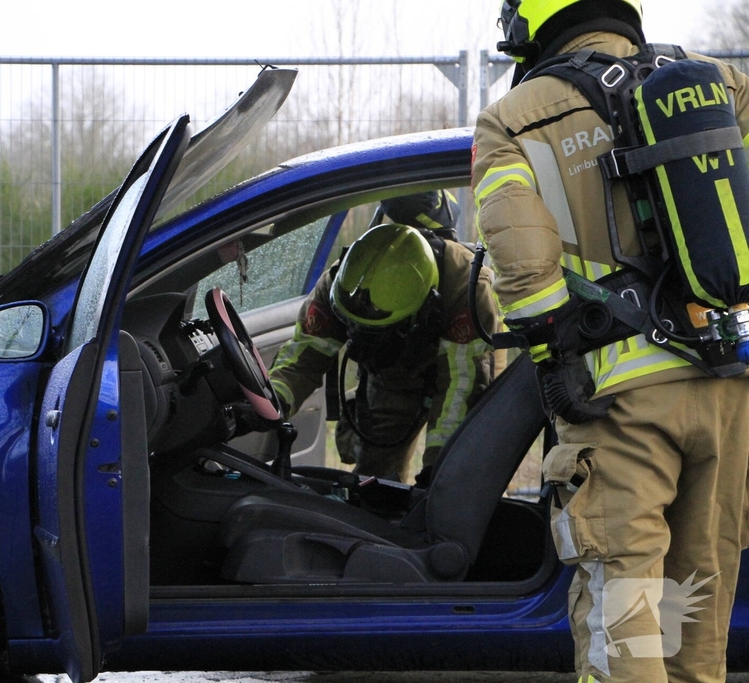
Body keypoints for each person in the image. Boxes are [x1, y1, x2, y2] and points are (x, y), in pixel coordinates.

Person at [472, 1, 749, 681]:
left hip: (618, 407)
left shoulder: (515, 116)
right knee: (694, 622)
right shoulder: (719, 82)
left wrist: (553, 355)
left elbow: (522, 254)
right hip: (728, 389)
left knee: (622, 627)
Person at [268, 190, 497, 485]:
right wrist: (268, 405)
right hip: (395, 375)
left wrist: (441, 469)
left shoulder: (465, 288)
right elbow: (302, 358)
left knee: (464, 475)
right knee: (374, 477)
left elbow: (461, 385)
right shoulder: (340, 283)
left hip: (466, 359)